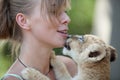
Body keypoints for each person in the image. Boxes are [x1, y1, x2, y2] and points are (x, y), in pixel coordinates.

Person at [0, 0, 77, 80]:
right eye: (54, 11)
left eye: (65, 11)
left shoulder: (68, 67)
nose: (67, 19)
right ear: (23, 21)